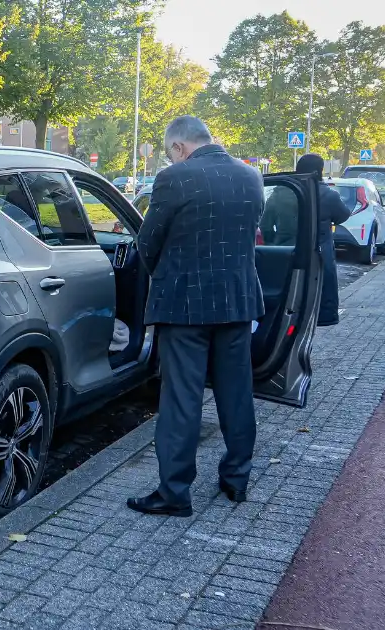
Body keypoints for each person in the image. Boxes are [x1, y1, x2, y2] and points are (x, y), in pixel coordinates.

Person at [127, 116, 265, 517]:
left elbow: (147, 241)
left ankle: (174, 492)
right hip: (237, 303)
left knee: (182, 398)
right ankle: (236, 480)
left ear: (178, 148)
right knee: (237, 393)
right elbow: (248, 234)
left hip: (185, 306)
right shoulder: (251, 176)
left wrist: (167, 278)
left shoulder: (175, 178)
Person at [295, 153, 351, 327]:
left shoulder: (285, 192)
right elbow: (344, 215)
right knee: (322, 287)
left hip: (289, 249)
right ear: (319, 171)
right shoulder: (329, 195)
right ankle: (324, 317)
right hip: (320, 251)